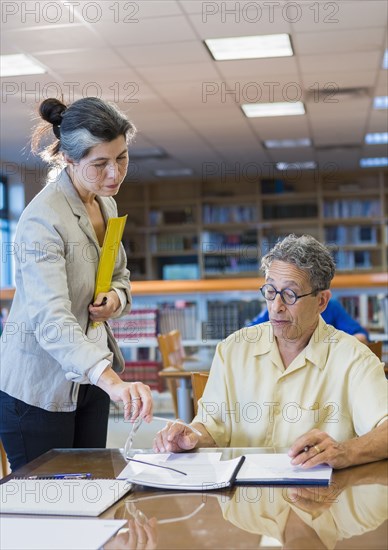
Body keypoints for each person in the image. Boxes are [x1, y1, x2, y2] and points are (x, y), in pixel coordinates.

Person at [0, 97, 153, 471]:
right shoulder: (42, 221)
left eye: (122, 158)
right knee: (50, 511)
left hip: (90, 380)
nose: (114, 174)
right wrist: (114, 382)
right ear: (68, 160)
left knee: (93, 490)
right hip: (39, 391)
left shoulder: (106, 204)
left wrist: (115, 299)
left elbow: (119, 276)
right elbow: (52, 321)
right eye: (100, 164)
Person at [153, 235, 388, 469]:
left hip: (322, 501)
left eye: (290, 294)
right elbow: (212, 427)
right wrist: (191, 436)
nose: (276, 307)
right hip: (244, 499)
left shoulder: (354, 359)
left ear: (322, 302)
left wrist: (344, 451)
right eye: (270, 291)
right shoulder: (233, 350)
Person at [250, 298, 369, 344]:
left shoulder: (331, 307)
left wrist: (329, 346)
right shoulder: (277, 309)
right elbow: (249, 336)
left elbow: (361, 336)